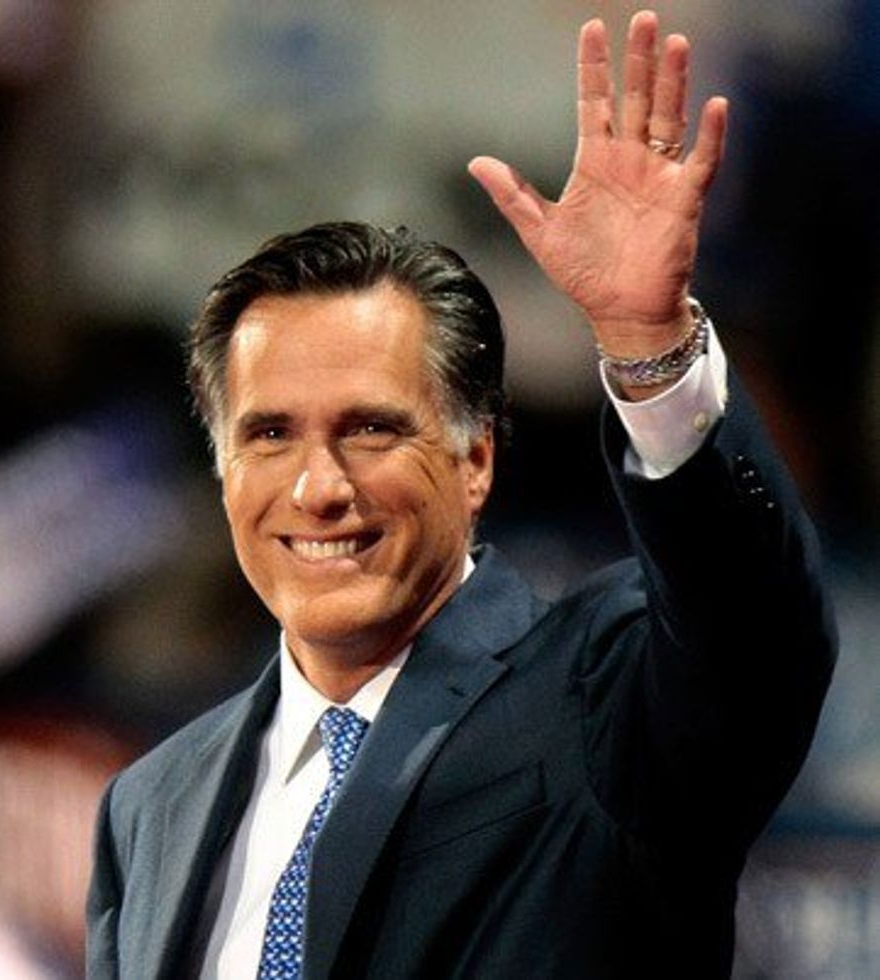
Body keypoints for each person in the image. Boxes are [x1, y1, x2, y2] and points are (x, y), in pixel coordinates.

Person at [86, 11, 836, 979]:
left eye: (370, 428)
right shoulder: (148, 806)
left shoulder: (603, 701)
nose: (318, 486)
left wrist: (649, 345)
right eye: (268, 435)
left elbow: (754, 627)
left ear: (475, 458)